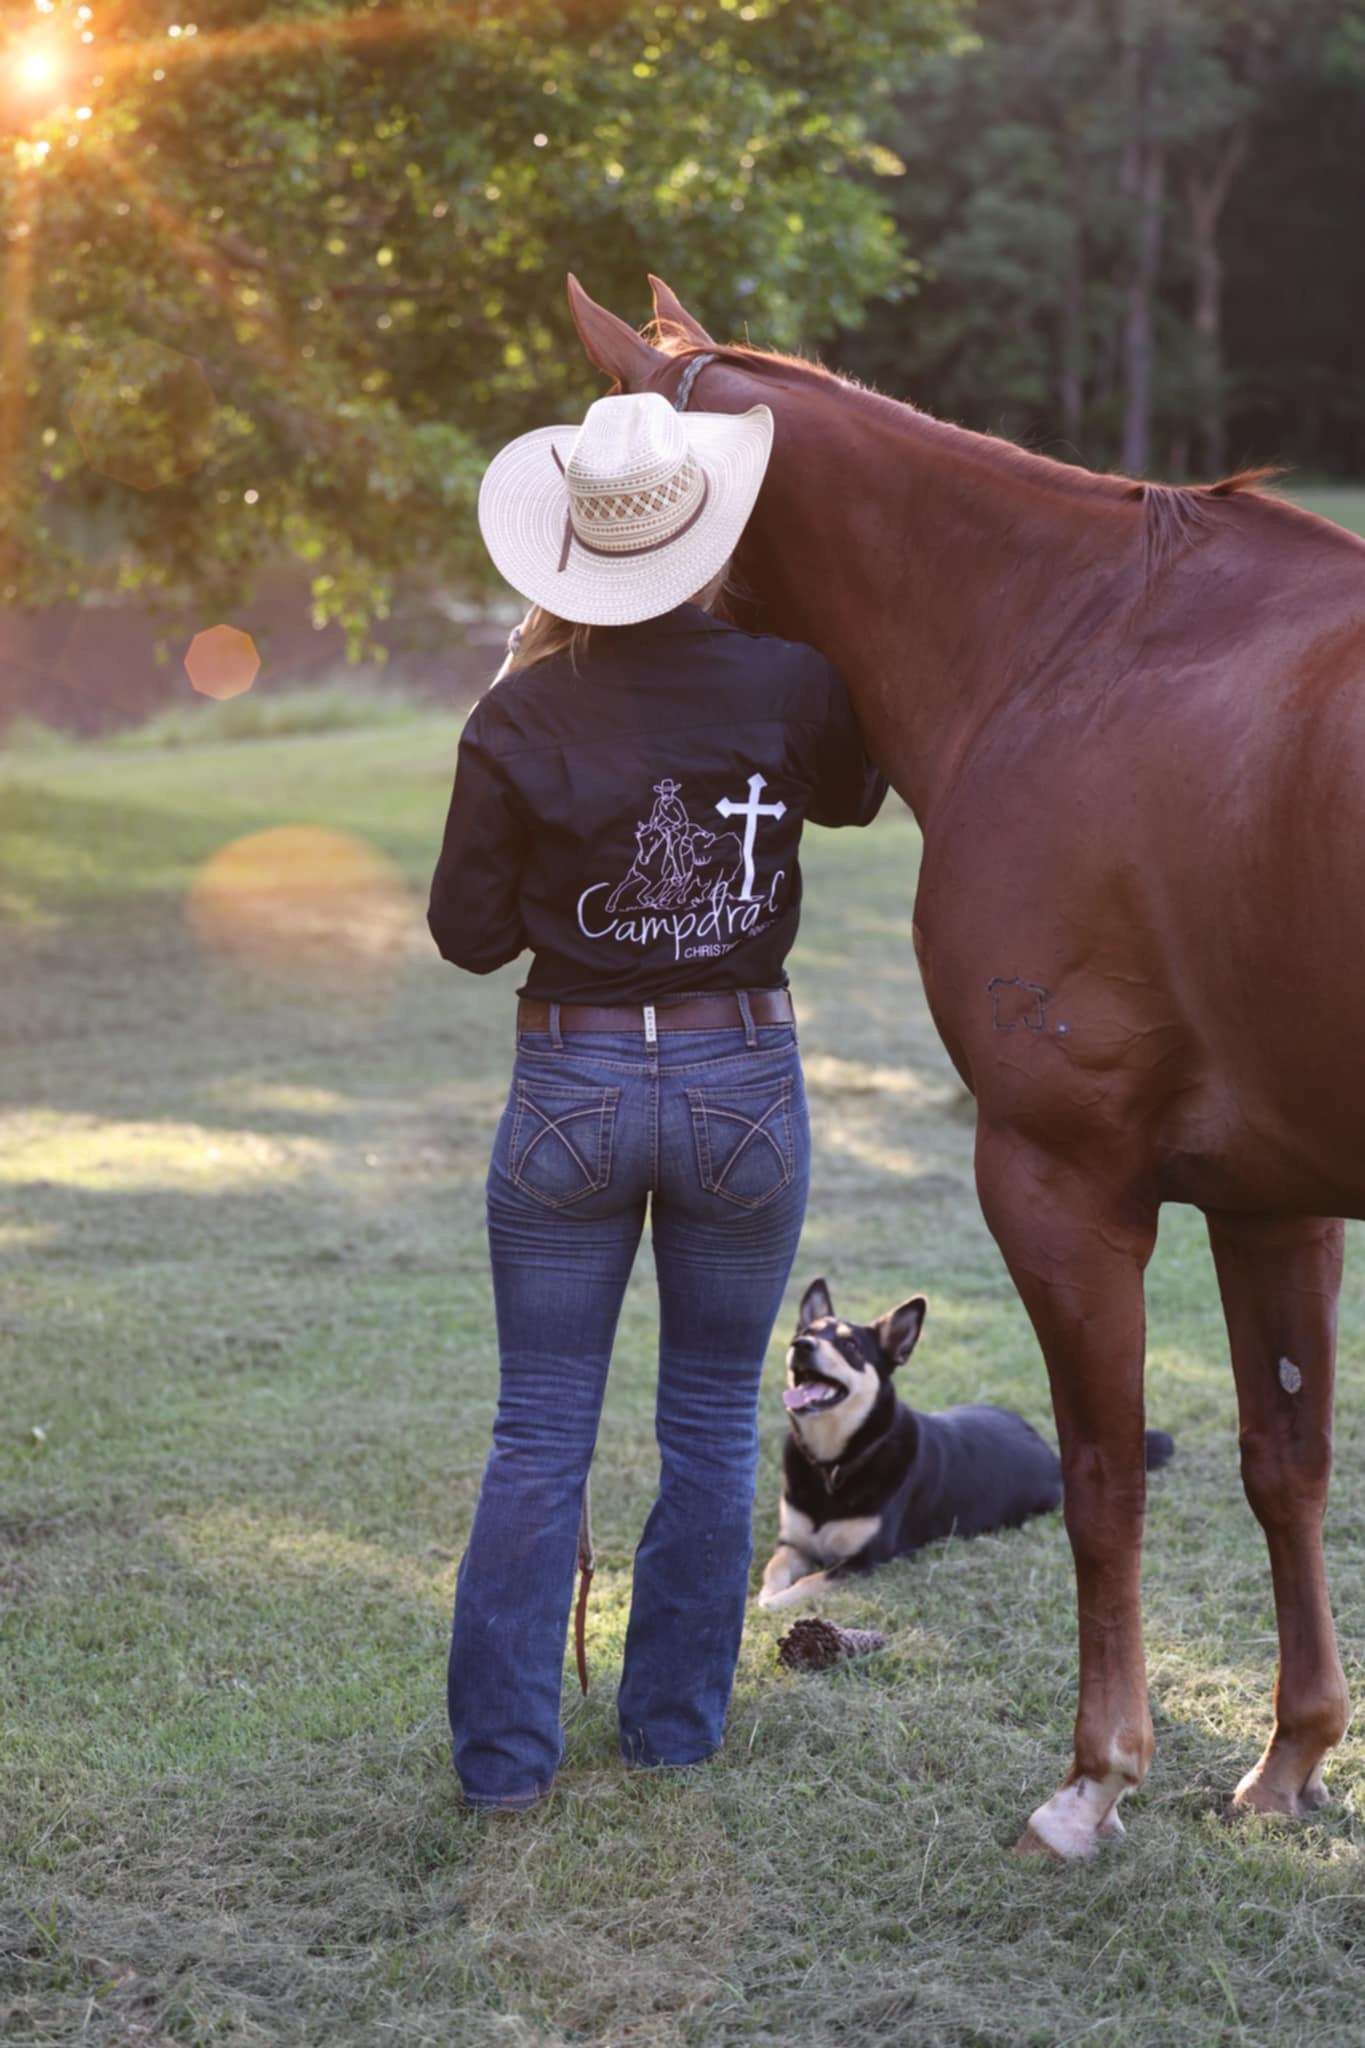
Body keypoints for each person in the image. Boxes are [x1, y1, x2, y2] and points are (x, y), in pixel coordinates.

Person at [429, 388, 886, 1810]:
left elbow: (468, 933)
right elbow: (855, 796)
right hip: (738, 1077)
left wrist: (521, 687)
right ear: (704, 535)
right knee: (705, 1418)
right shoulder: (790, 682)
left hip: (567, 1079)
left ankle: (506, 1767)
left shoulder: (518, 713)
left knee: (538, 1428)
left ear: (571, 553)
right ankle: (673, 1731)